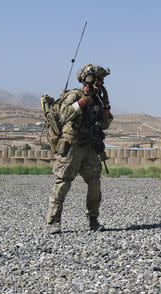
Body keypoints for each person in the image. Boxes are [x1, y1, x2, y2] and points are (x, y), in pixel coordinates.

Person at [47, 64, 113, 234]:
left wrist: (106, 109)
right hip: (72, 146)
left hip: (89, 146)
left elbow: (105, 124)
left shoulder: (99, 98)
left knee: (95, 183)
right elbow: (64, 115)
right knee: (63, 183)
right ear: (90, 80)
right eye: (100, 79)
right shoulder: (75, 95)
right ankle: (54, 220)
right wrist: (83, 101)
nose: (102, 83)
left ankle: (93, 219)